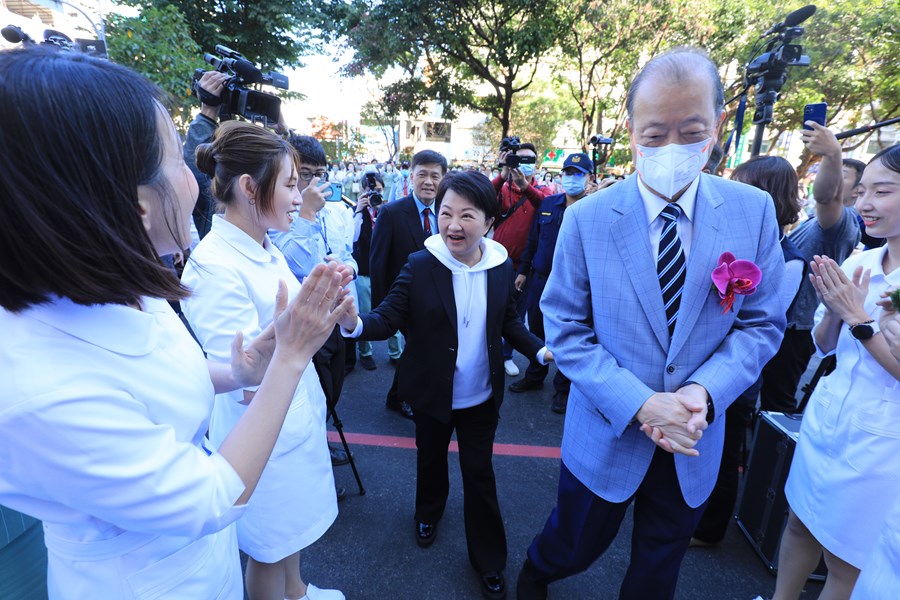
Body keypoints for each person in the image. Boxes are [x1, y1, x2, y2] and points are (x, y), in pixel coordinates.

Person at [0, 48, 350, 599]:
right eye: (177, 162)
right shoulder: (39, 391)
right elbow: (209, 498)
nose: (197, 180)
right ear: (135, 206)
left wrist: (240, 368)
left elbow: (152, 375)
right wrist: (289, 356)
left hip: (201, 567)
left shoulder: (118, 282)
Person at [516, 47, 786, 600]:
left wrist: (700, 395)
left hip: (692, 436)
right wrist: (640, 402)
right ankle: (534, 577)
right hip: (608, 430)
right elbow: (563, 325)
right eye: (654, 133)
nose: (671, 148)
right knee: (571, 547)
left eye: (691, 131)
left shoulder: (752, 210)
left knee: (657, 571)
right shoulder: (587, 217)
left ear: (716, 129)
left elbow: (761, 324)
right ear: (632, 132)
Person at [341, 171, 551, 600]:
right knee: (431, 460)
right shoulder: (422, 264)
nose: (453, 224)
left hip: (481, 396)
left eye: (467, 215)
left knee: (480, 475)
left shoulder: (499, 264)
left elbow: (509, 321)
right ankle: (428, 512)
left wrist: (540, 351)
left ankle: (489, 560)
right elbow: (387, 317)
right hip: (433, 392)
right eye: (446, 213)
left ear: (488, 223)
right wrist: (355, 323)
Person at [181, 123, 348, 600]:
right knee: (268, 550)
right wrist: (299, 329)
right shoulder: (214, 265)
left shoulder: (263, 244)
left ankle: (296, 591)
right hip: (262, 439)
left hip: (292, 422)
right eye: (292, 183)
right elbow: (240, 378)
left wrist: (325, 305)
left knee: (288, 540)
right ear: (250, 187)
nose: (301, 197)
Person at [769, 145, 900, 600]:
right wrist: (834, 312)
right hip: (828, 422)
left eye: (882, 191)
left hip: (880, 444)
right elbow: (824, 345)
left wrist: (859, 320)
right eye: (861, 191)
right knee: (799, 523)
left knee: (844, 563)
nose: (864, 203)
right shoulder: (861, 261)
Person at [690, 156, 805, 548]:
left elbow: (764, 321)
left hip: (740, 373)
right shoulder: (736, 239)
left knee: (725, 450)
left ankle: (709, 529)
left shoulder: (789, 260)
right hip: (705, 365)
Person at [760, 123, 862, 414]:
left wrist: (832, 154)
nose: (829, 177)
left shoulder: (842, 224)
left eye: (842, 174)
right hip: (784, 323)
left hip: (793, 330)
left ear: (855, 192)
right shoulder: (815, 221)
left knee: (776, 406)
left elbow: (826, 197)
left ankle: (768, 458)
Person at [269, 136, 357, 471]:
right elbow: (296, 265)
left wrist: (348, 267)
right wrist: (305, 212)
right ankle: (309, 454)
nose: (314, 184)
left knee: (332, 389)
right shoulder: (281, 213)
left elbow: (349, 255)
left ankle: (319, 440)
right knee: (309, 392)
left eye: (320, 174)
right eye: (304, 175)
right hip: (302, 322)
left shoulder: (335, 211)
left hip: (334, 314)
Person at [509, 152, 604, 413]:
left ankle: (563, 388)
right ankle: (535, 375)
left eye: (578, 174)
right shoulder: (549, 203)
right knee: (537, 329)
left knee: (570, 334)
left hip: (575, 284)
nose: (571, 178)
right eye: (568, 173)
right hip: (541, 278)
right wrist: (523, 271)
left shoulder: (594, 207)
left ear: (589, 178)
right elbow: (533, 239)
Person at [369, 149, 449, 419]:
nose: (428, 181)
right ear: (411, 176)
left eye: (435, 176)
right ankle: (400, 396)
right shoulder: (392, 213)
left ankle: (402, 394)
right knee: (417, 347)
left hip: (439, 296)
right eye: (422, 174)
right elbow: (378, 262)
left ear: (443, 179)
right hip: (403, 299)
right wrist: (382, 310)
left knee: (424, 348)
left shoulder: (448, 213)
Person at [491, 142, 555, 377]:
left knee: (515, 315)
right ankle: (485, 352)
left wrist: (525, 187)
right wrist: (502, 175)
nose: (524, 164)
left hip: (524, 266)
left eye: (529, 160)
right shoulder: (503, 188)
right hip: (496, 260)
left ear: (536, 166)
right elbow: (484, 198)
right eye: (519, 159)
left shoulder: (545, 191)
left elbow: (546, 206)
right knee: (488, 308)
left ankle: (506, 355)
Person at [350, 171, 385, 372]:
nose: (374, 195)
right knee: (364, 313)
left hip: (383, 270)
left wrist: (381, 210)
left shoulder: (387, 211)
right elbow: (351, 239)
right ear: (363, 192)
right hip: (363, 271)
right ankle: (366, 353)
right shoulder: (355, 212)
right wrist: (358, 211)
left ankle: (396, 352)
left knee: (392, 309)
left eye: (378, 191)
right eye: (371, 191)